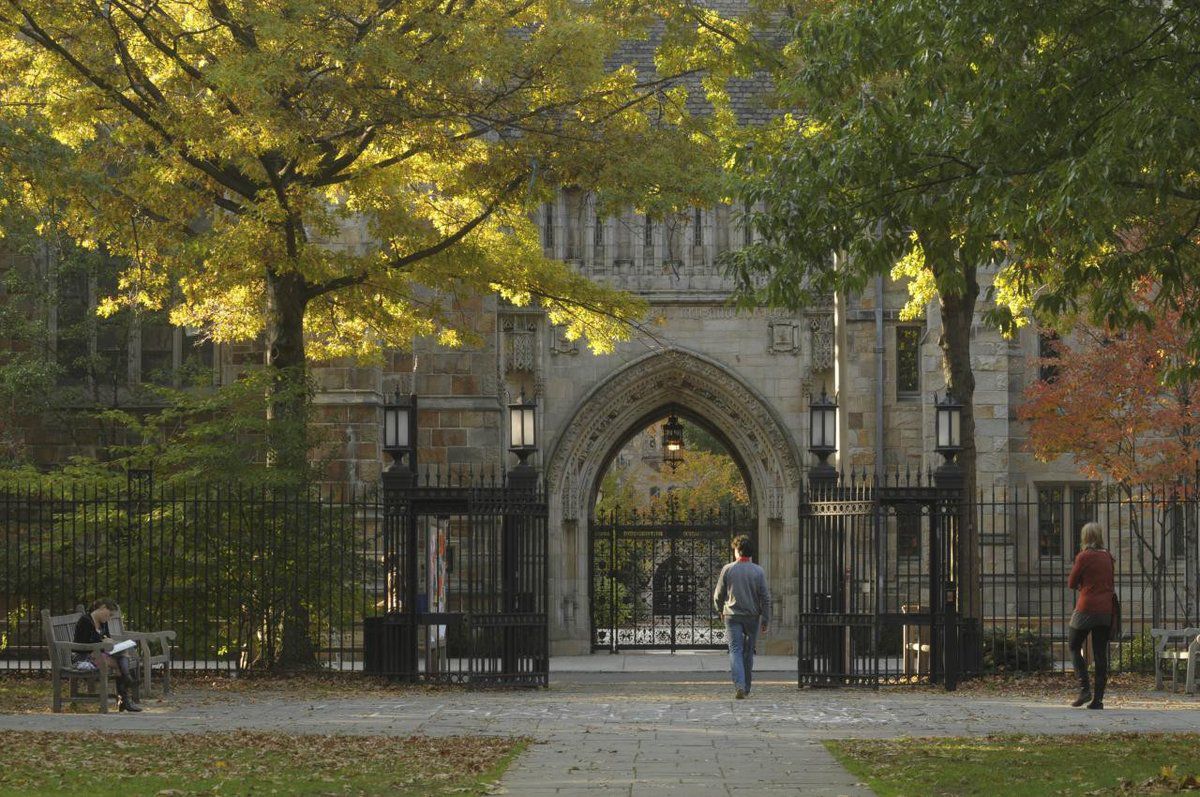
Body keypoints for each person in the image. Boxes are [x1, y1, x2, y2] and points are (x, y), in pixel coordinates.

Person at [713, 534, 771, 700]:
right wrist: (765, 619)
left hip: (732, 615)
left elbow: (718, 594)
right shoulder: (758, 571)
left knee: (735, 651)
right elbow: (765, 597)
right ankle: (746, 687)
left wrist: (719, 609)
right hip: (752, 616)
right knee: (748, 652)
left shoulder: (728, 569)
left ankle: (739, 684)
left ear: (738, 551)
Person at [1067, 522, 1115, 710]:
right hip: (1106, 610)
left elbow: (1072, 582)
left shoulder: (1084, 556)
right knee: (1100, 654)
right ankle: (1098, 699)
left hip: (1086, 608)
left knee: (1073, 644)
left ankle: (1084, 688)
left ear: (1085, 537)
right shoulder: (1108, 556)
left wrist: (1082, 585)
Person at [73, 597, 142, 712]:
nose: (109, 618)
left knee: (123, 652)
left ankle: (125, 696)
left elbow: (107, 638)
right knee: (119, 663)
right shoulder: (85, 621)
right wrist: (102, 643)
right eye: (109, 615)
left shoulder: (103, 623)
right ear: (103, 608)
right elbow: (80, 645)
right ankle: (125, 696)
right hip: (85, 657)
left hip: (100, 654)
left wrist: (110, 642)